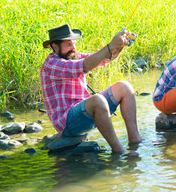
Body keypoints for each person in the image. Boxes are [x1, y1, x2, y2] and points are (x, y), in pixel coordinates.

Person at [40, 24, 143, 154]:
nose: (73, 48)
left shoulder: (72, 56)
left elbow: (102, 59)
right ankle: (119, 151)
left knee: (124, 87)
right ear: (55, 47)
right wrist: (111, 45)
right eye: (68, 45)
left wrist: (119, 46)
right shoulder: (52, 64)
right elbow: (86, 65)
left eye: (73, 43)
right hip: (66, 123)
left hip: (83, 112)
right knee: (97, 100)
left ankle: (135, 139)